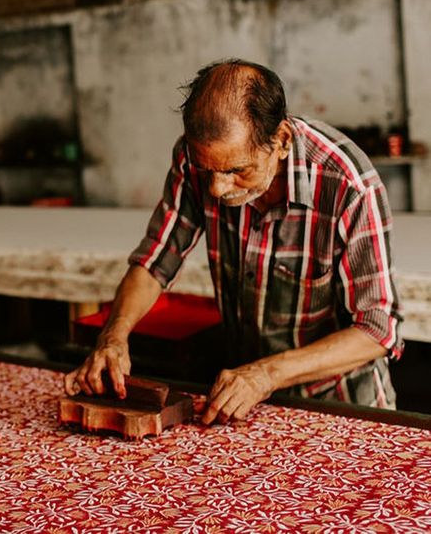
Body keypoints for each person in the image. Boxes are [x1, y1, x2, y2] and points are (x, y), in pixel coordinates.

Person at [65, 59, 403, 423]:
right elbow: (155, 261)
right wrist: (114, 335)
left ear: (283, 141)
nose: (217, 188)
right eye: (208, 170)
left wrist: (266, 374)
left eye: (237, 171)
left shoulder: (349, 185)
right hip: (249, 400)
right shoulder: (194, 161)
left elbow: (377, 330)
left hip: (340, 405)